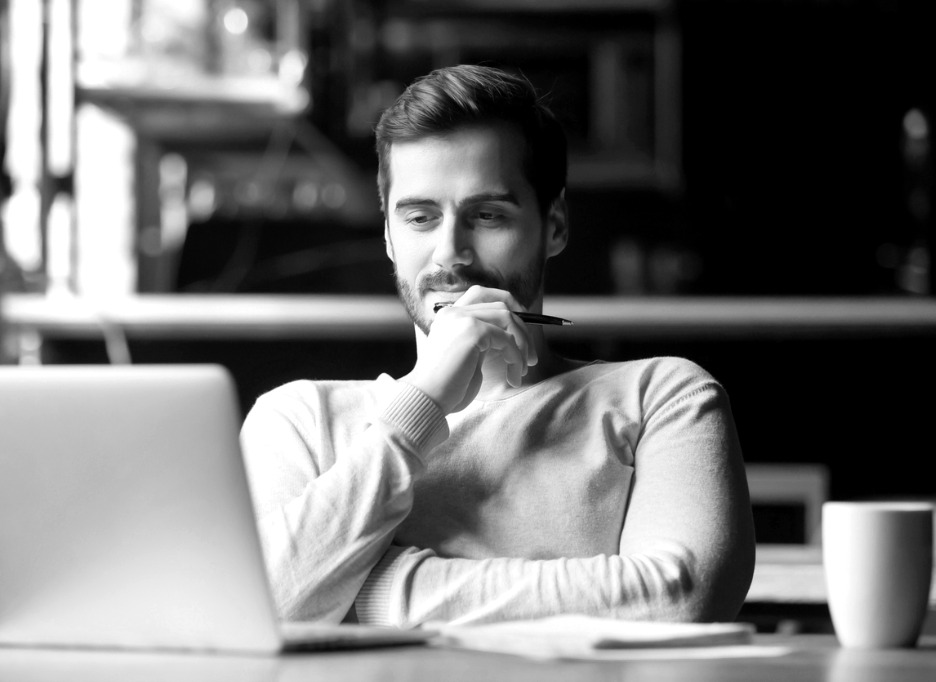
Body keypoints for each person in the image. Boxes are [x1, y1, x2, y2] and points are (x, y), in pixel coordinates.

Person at [240, 64, 756, 628]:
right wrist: (423, 402)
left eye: (487, 215)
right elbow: (254, 609)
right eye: (420, 217)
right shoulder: (298, 419)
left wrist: (369, 590)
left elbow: (679, 598)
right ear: (388, 235)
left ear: (554, 225)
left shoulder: (662, 397)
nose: (450, 253)